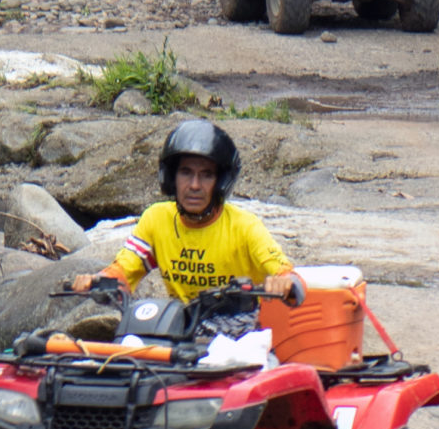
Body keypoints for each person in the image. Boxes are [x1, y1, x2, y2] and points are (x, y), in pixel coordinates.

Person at [68, 120, 303, 304]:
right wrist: (97, 282)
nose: (194, 185)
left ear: (221, 182)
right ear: (171, 178)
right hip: (181, 333)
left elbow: (288, 275)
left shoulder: (244, 226)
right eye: (185, 173)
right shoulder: (156, 219)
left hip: (242, 336)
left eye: (206, 175)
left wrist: (284, 283)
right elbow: (124, 270)